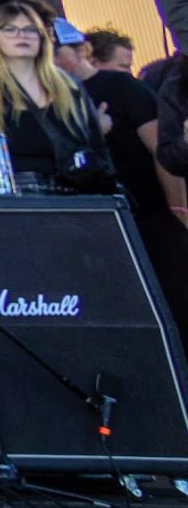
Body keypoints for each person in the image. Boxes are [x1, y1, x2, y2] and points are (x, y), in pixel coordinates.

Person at [52, 22, 188, 327]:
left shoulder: (121, 86)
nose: (49, 62)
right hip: (104, 222)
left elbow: (161, 151)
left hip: (153, 214)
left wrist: (177, 207)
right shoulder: (54, 98)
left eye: (55, 53)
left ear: (82, 50)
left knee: (177, 298)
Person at [0, 0, 115, 194]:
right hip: (10, 203)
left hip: (72, 198)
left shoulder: (68, 85)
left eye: (30, 29)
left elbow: (97, 149)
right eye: (10, 29)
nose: (21, 35)